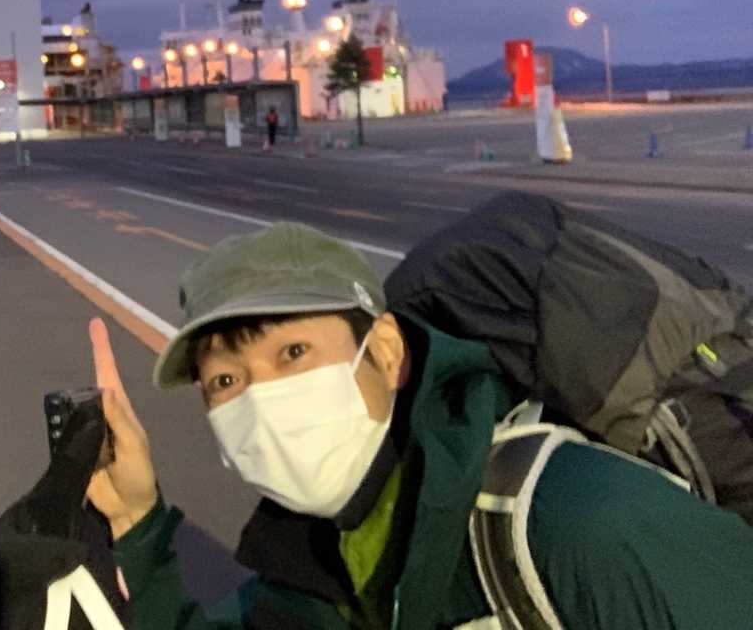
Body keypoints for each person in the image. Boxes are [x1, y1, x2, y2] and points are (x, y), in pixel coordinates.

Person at [86, 223, 753, 629]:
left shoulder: (580, 520)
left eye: (293, 353)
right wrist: (137, 522)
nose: (262, 401)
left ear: (385, 352)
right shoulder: (312, 569)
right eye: (226, 382)